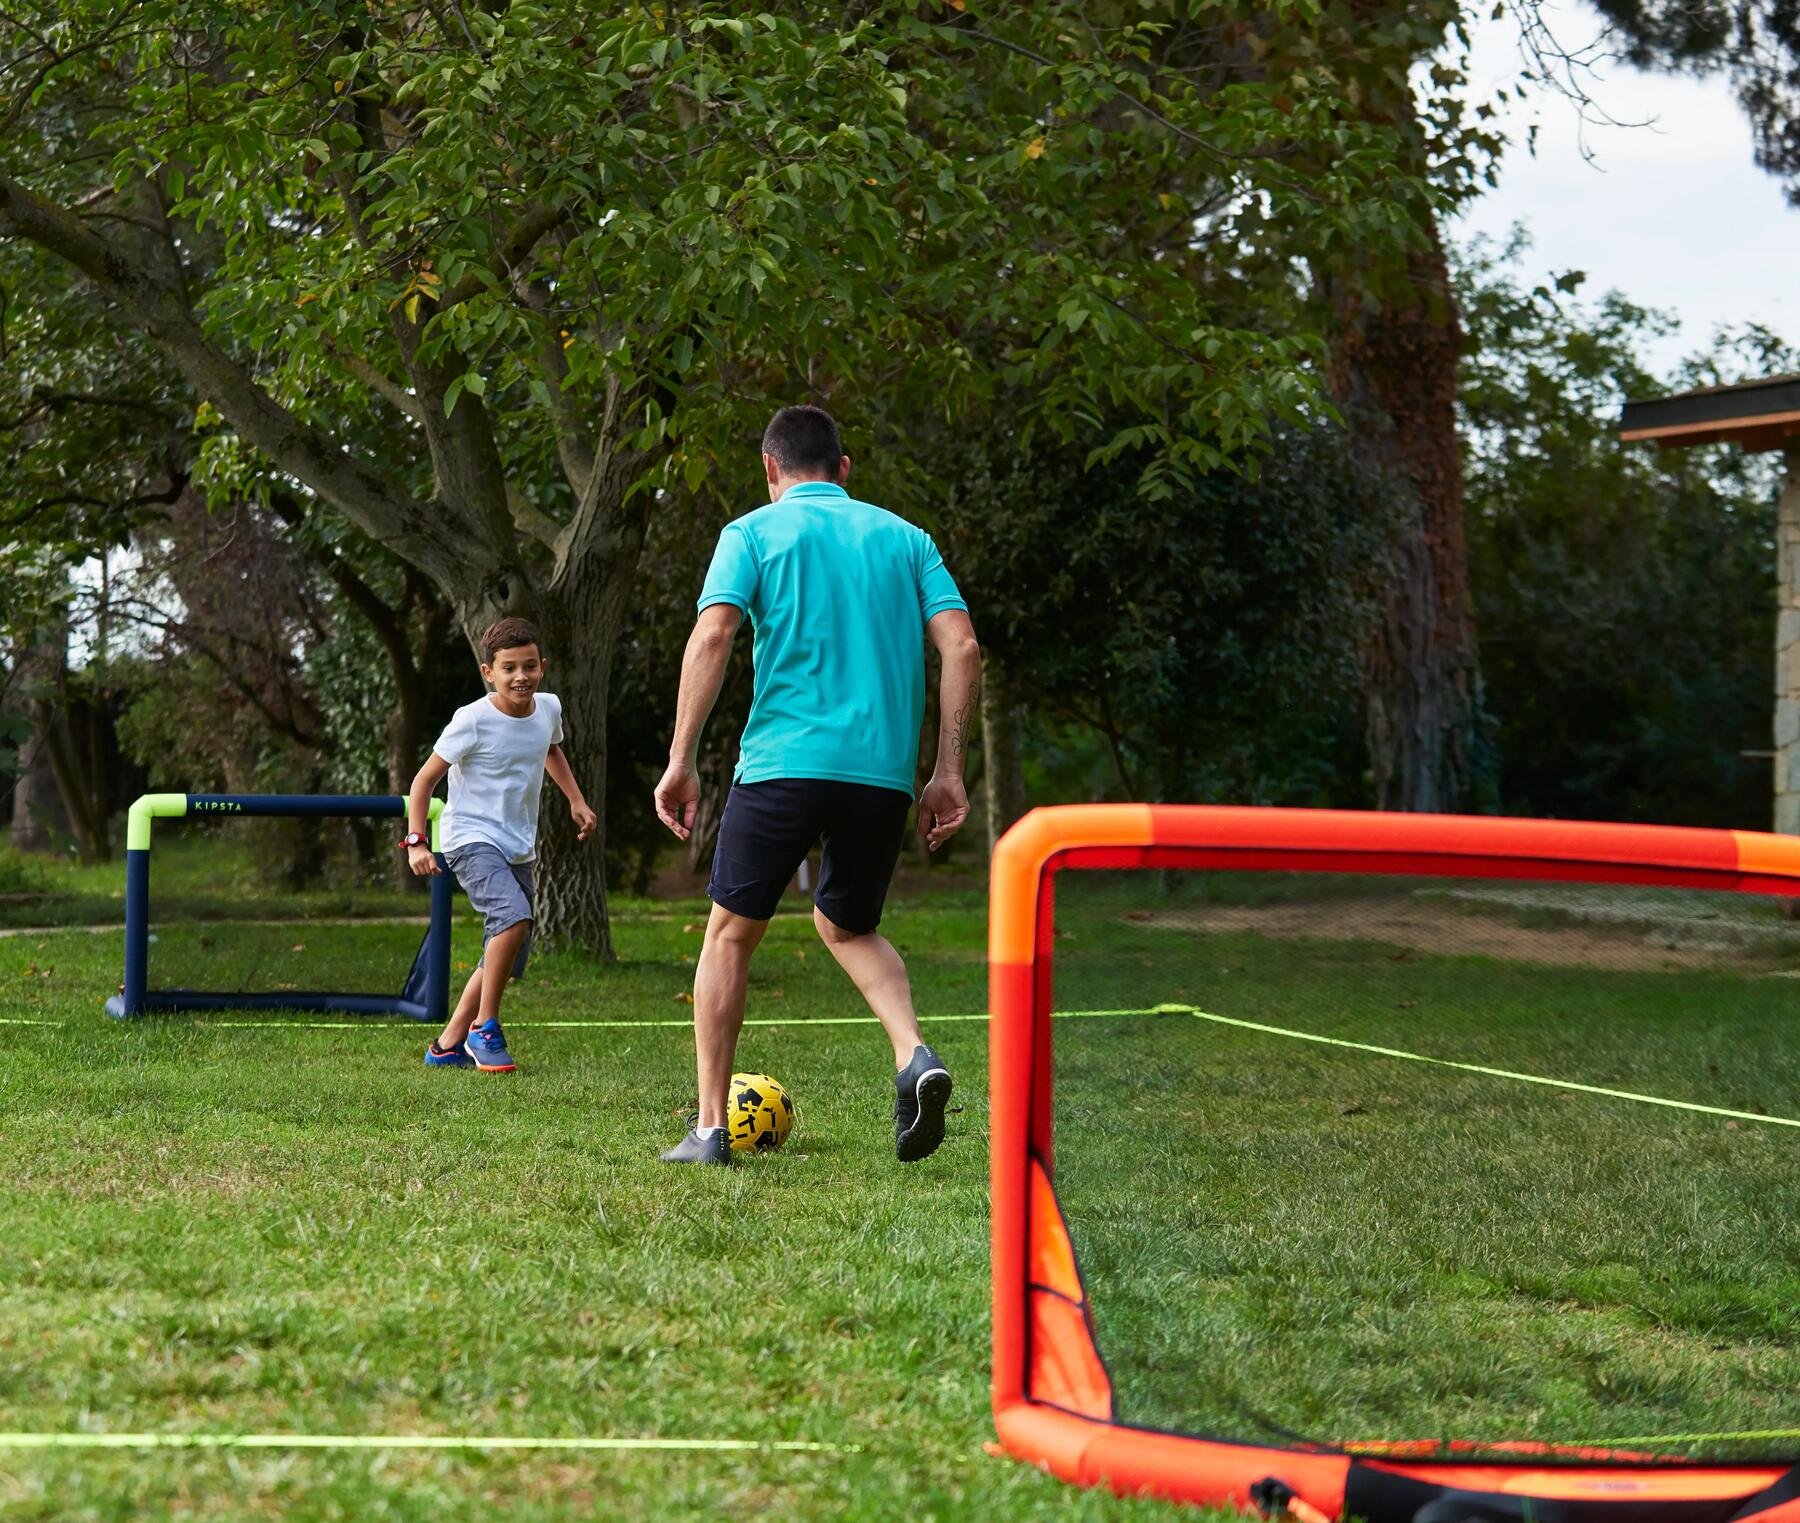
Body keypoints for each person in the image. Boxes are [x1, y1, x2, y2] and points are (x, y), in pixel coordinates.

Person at [653, 404, 982, 1166]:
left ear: (771, 468)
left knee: (731, 934)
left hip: (783, 765)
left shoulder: (751, 533)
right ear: (844, 467)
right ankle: (913, 1053)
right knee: (848, 925)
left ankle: (709, 1129)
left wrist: (680, 757)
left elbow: (713, 633)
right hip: (882, 775)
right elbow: (961, 645)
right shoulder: (907, 539)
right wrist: (946, 770)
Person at [402, 616, 596, 1072]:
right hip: (469, 837)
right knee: (513, 917)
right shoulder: (471, 720)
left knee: (505, 953)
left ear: (542, 666)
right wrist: (417, 841)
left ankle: (446, 1047)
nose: (520, 677)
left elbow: (551, 749)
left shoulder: (548, 708)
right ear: (489, 672)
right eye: (509, 668)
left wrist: (576, 800)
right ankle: (484, 1028)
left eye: (529, 666)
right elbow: (423, 780)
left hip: (518, 845)